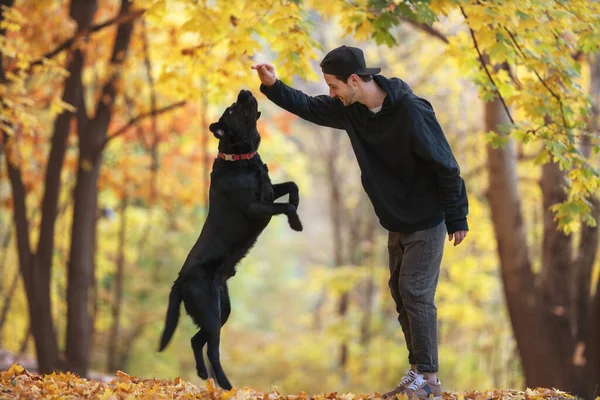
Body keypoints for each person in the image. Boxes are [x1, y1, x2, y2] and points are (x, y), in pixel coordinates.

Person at [252, 45, 468, 400]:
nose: (332, 94)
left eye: (334, 86)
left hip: (429, 217)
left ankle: (429, 381)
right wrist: (273, 85)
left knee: (416, 292)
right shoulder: (351, 111)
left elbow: (446, 165)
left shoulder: (411, 111)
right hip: (396, 219)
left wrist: (457, 215)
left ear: (355, 80)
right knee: (401, 293)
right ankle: (417, 373)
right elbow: (308, 106)